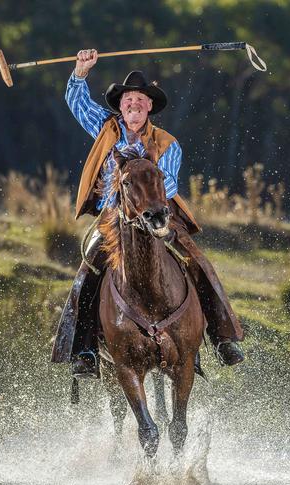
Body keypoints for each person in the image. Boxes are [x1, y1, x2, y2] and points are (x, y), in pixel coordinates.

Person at [51, 49, 244, 377]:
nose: (133, 105)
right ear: (120, 105)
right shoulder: (106, 128)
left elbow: (167, 186)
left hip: (158, 214)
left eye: (140, 99)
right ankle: (83, 349)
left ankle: (223, 336)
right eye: (127, 100)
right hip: (113, 217)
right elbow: (76, 102)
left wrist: (144, 195)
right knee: (88, 269)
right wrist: (81, 72)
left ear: (150, 106)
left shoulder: (168, 143)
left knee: (197, 261)